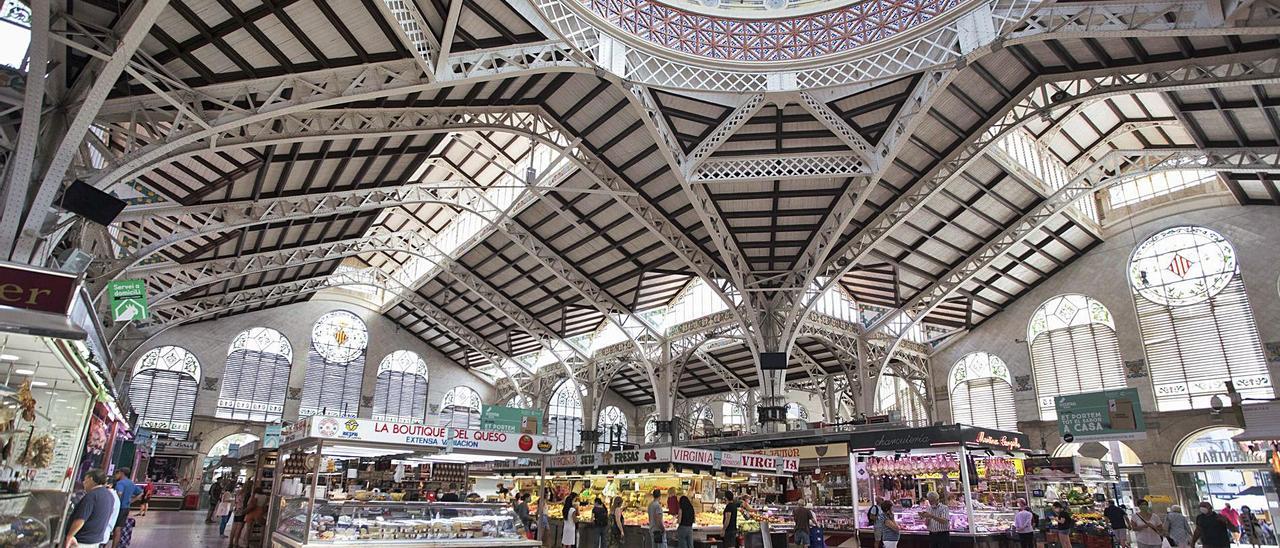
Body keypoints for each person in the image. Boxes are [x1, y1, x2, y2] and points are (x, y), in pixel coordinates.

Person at [66, 469, 120, 548]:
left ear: (90, 479)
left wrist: (69, 536)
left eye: (85, 479)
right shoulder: (110, 495)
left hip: (81, 541)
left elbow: (80, 520)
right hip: (95, 540)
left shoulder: (91, 496)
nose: (83, 482)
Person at [110, 468, 143, 548]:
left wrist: (115, 503)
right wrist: (131, 501)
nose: (115, 476)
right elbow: (141, 492)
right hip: (126, 507)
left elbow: (119, 493)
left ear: (121, 473)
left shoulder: (120, 483)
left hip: (119, 508)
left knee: (113, 528)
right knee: (119, 528)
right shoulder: (131, 483)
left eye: (117, 473)